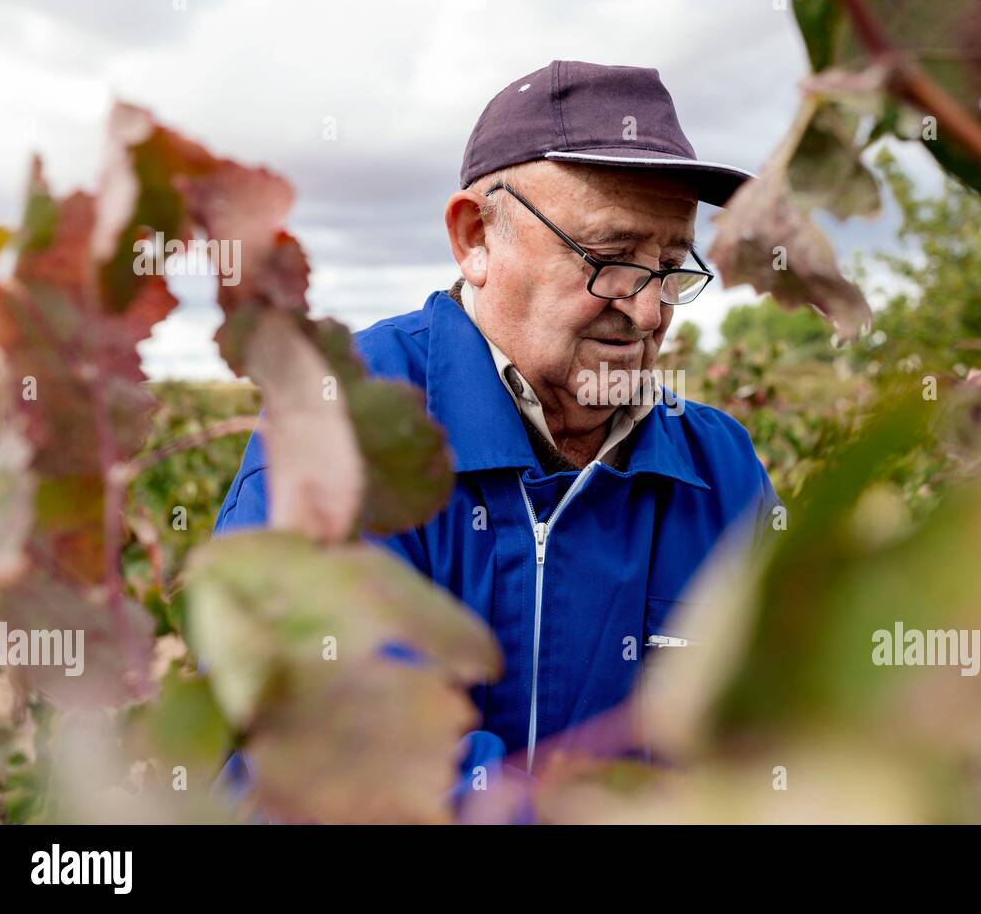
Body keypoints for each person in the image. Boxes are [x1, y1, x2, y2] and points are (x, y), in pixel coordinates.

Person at [213, 60, 779, 815]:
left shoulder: (721, 469)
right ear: (474, 237)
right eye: (610, 260)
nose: (649, 315)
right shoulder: (348, 427)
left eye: (670, 268)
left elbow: (785, 731)